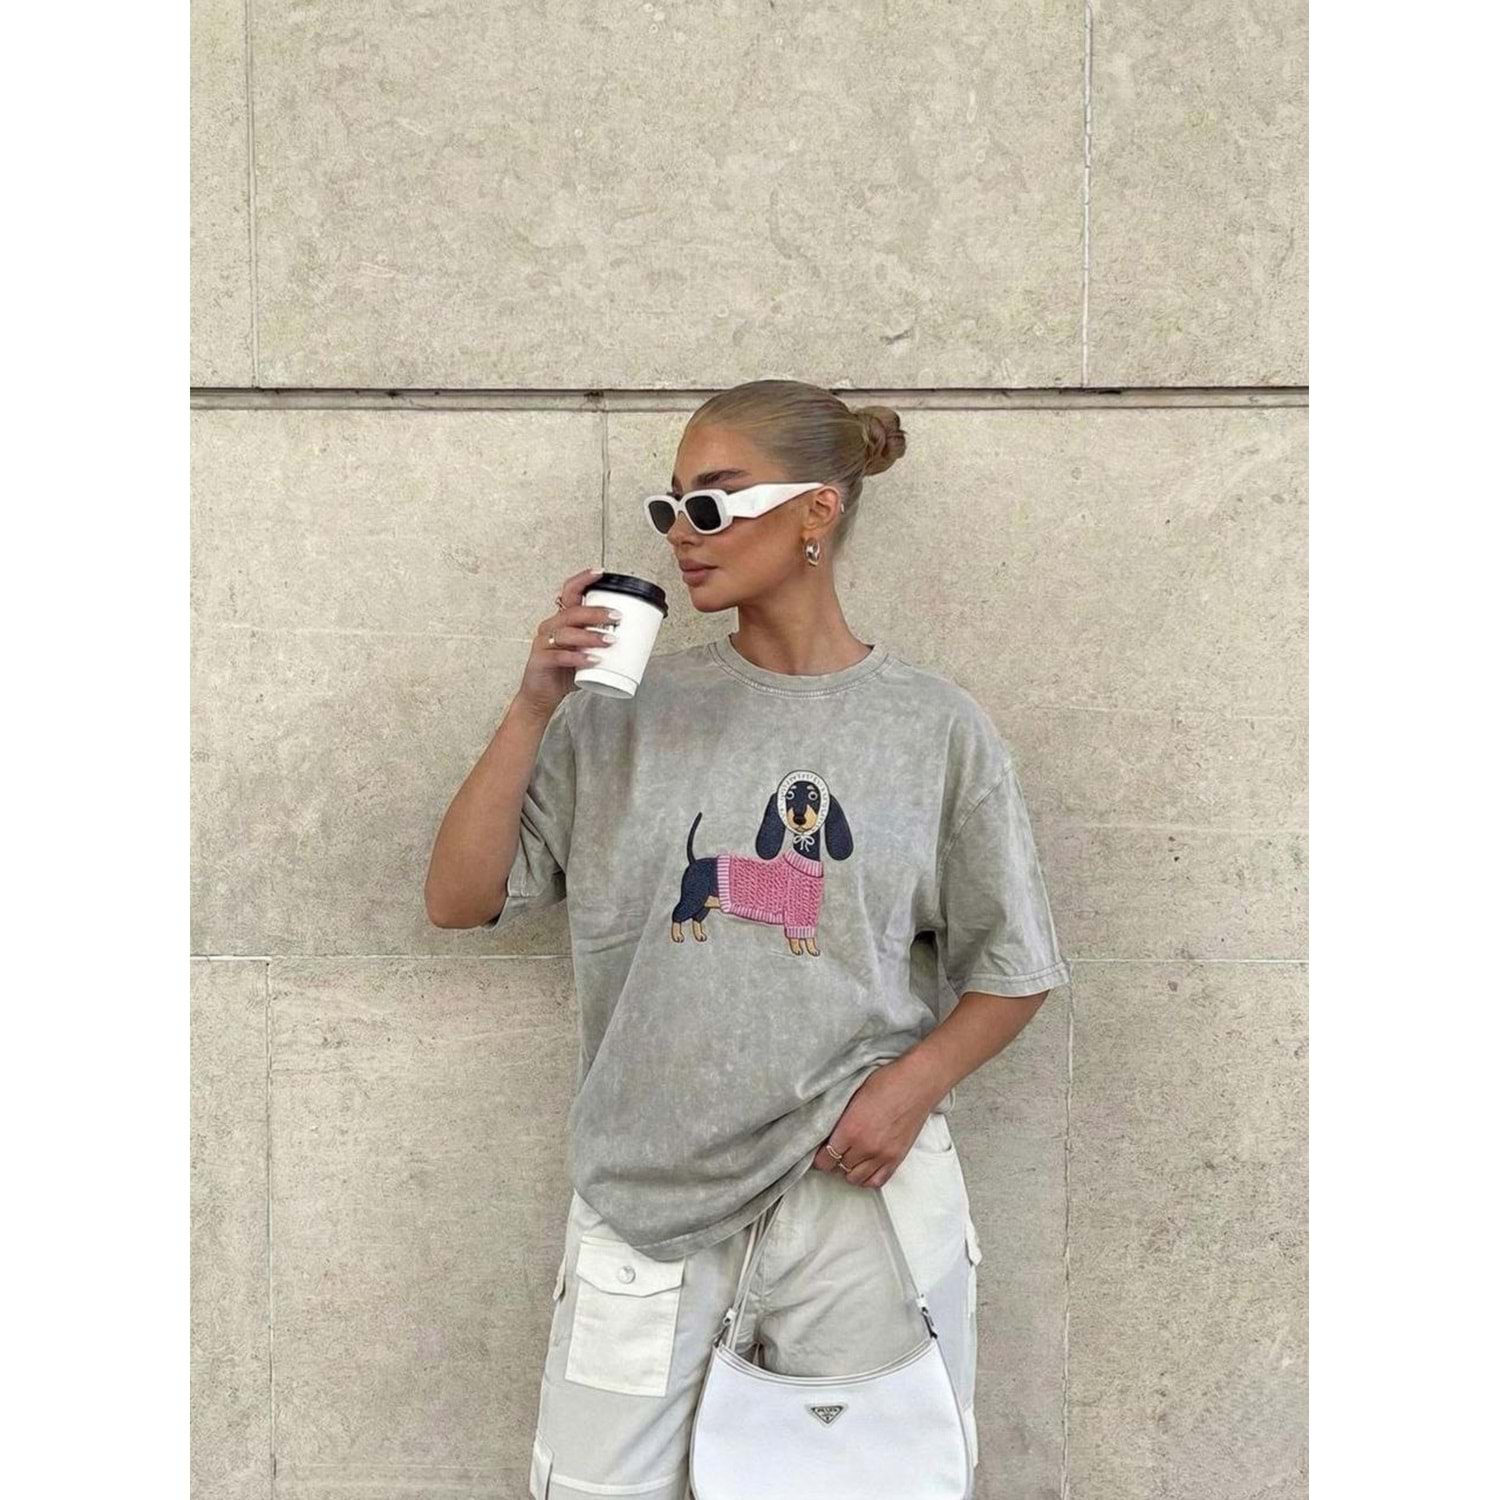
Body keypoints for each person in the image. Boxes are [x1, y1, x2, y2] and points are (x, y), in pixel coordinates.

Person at [424, 379, 1072, 1500]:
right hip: (648, 1193)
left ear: (819, 509)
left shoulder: (932, 728)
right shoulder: (619, 716)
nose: (683, 534)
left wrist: (909, 1089)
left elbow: (1014, 967)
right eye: (669, 507)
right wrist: (534, 704)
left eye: (713, 504)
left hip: (852, 1193)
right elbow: (458, 898)